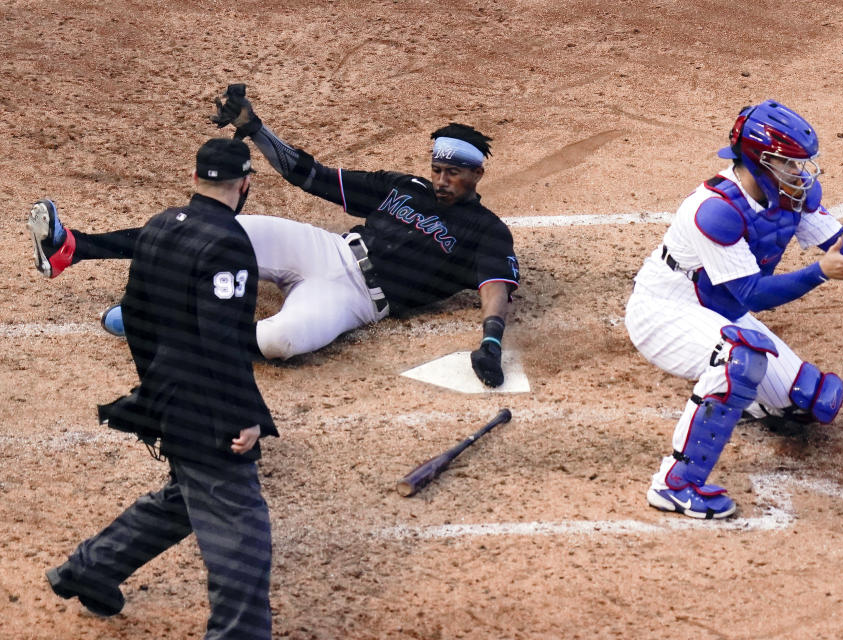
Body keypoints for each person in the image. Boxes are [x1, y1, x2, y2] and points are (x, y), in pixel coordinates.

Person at [30, 85, 520, 387]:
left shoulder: (486, 231)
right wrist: (256, 128)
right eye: (437, 169)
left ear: (476, 176)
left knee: (281, 342)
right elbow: (309, 174)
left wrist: (491, 343)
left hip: (355, 299)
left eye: (453, 173)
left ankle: (160, 325)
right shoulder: (404, 187)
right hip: (325, 249)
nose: (440, 181)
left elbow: (495, 288)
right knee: (210, 227)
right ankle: (72, 248)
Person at [42, 138, 277, 639]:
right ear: (246, 184)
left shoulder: (158, 226)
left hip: (170, 394)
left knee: (186, 496)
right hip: (208, 405)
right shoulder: (229, 243)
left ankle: (91, 568)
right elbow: (221, 340)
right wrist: (242, 413)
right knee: (243, 533)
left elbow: (138, 320)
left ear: (195, 179)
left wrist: (155, 388)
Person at [624, 100, 843, 519]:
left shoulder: (795, 195)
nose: (802, 174)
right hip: (663, 310)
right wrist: (820, 273)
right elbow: (752, 295)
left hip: (721, 308)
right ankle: (675, 484)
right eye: (792, 164)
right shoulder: (715, 211)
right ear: (764, 160)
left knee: (812, 401)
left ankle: (748, 402)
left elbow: (839, 247)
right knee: (738, 359)